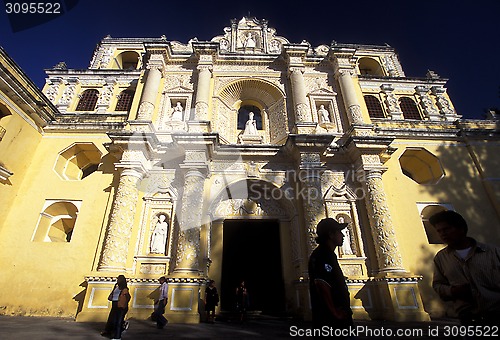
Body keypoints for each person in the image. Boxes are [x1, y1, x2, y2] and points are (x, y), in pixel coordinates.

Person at [430, 210, 500, 326]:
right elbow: (438, 285)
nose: (443, 234)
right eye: (439, 231)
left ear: (461, 228)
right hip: (468, 319)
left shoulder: (492, 252)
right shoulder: (441, 258)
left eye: (447, 229)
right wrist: (452, 291)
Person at [308, 218, 353, 334]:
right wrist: (334, 312)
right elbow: (321, 283)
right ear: (331, 234)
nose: (343, 235)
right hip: (331, 323)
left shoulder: (328, 254)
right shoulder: (322, 255)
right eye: (339, 232)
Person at [101, 275, 131, 340]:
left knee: (118, 321)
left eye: (119, 279)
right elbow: (112, 294)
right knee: (113, 320)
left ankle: (117, 337)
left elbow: (128, 297)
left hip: (120, 306)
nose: (117, 280)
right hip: (114, 304)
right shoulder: (116, 287)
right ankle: (115, 332)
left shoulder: (125, 289)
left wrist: (123, 303)